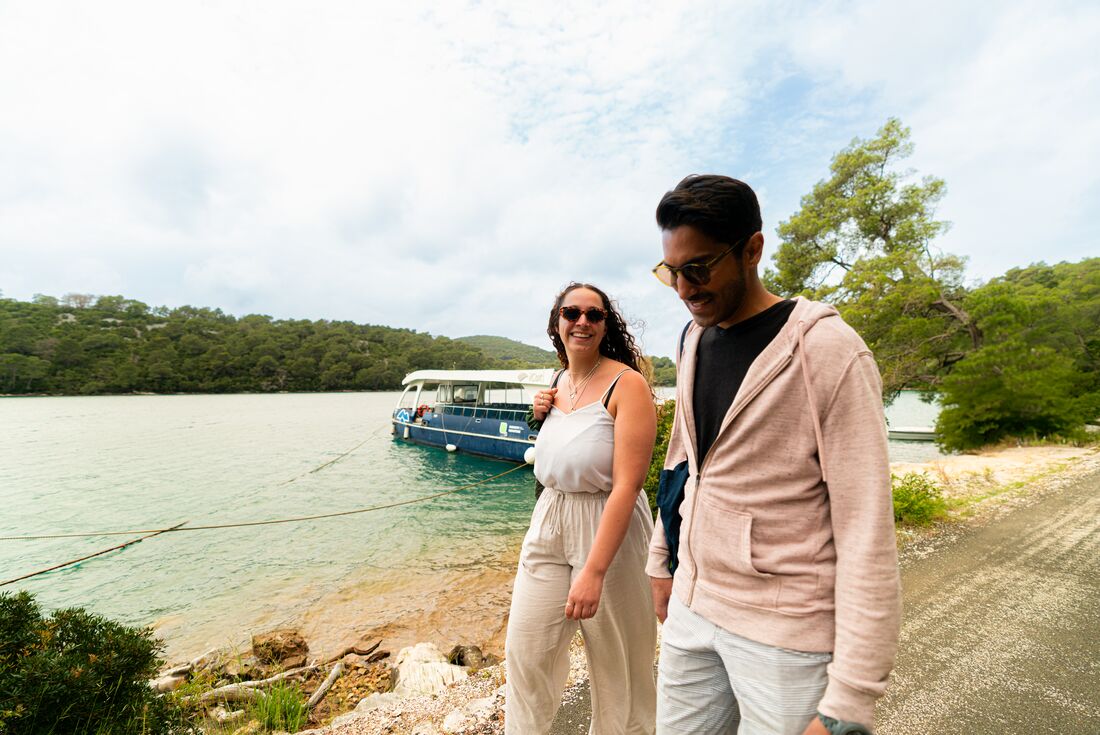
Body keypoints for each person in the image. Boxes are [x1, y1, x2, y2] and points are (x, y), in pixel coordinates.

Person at [646, 175, 901, 735]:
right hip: (692, 608)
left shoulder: (827, 351)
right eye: (672, 272)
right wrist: (662, 559)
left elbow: (866, 529)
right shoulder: (694, 339)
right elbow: (683, 460)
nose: (685, 288)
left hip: (786, 632)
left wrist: (849, 703)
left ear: (753, 250)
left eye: (700, 268)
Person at [505, 282, 658, 735]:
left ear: (606, 325)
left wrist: (592, 570)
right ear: (558, 323)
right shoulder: (557, 382)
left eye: (594, 315)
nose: (583, 322)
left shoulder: (627, 385)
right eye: (572, 313)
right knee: (527, 650)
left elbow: (628, 485)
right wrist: (540, 412)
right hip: (550, 519)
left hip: (610, 523)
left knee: (620, 665)